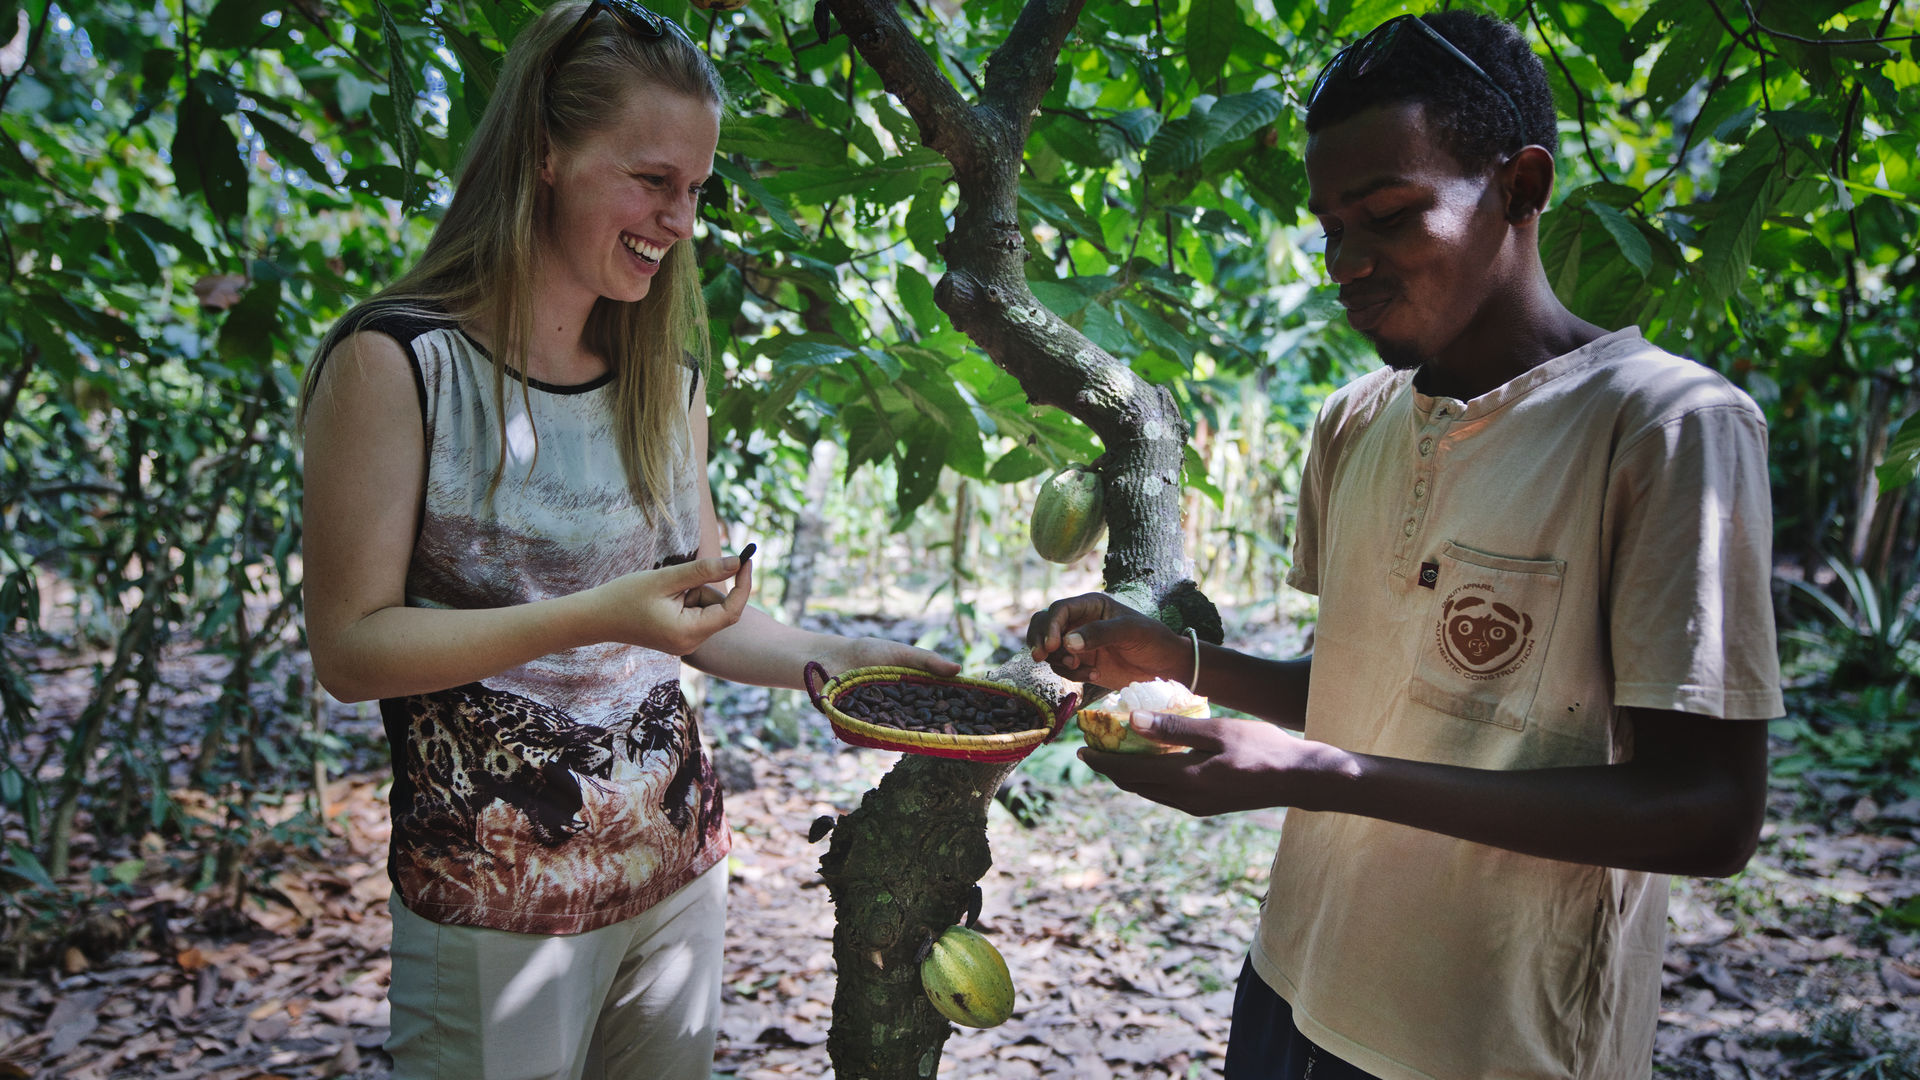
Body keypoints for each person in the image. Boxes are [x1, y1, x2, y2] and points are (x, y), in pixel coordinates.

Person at [1026, 11, 1781, 1080]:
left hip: (1484, 1040)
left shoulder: (1665, 428)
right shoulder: (1355, 424)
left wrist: (1319, 775)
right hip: (1295, 976)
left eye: (1387, 214)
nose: (1349, 263)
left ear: (1521, 187)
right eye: (1333, 228)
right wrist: (1178, 662)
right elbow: (1370, 692)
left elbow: (1707, 815)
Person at [297, 3, 957, 1077]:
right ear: (548, 156)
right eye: (653, 181)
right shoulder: (396, 364)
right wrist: (604, 613)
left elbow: (697, 622)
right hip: (496, 900)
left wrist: (854, 666)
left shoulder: (667, 379)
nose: (681, 220)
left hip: (675, 873)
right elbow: (351, 650)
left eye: (696, 190)